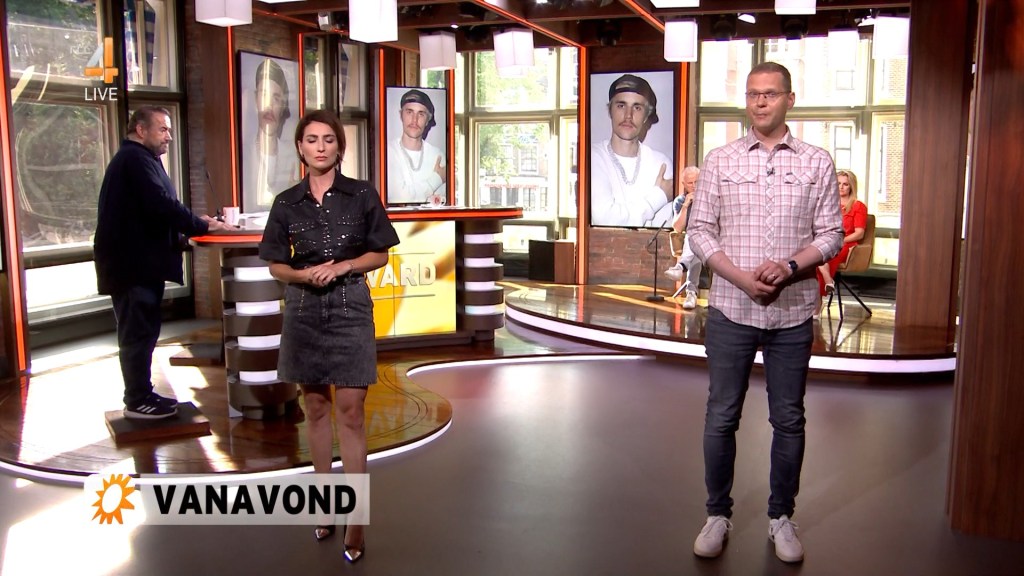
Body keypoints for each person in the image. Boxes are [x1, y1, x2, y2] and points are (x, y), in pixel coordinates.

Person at [686, 62, 844, 564]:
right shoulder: (720, 159)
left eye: (770, 94)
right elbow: (700, 229)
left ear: (789, 99)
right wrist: (738, 276)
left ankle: (781, 517)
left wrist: (791, 265)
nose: (760, 101)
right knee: (721, 416)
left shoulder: (817, 161)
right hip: (731, 309)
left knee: (789, 419)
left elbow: (832, 234)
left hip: (792, 312)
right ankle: (717, 514)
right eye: (753, 94)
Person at [258, 109, 399, 564]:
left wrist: (342, 266)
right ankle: (325, 505)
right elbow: (275, 264)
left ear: (340, 147)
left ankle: (356, 519)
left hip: (350, 307)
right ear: (300, 147)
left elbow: (380, 254)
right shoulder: (286, 203)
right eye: (312, 140)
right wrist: (300, 274)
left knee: (351, 412)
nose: (320, 147)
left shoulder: (362, 194)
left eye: (328, 140)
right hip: (302, 310)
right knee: (315, 409)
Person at [94, 106, 230, 420]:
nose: (169, 136)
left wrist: (187, 233)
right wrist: (200, 225)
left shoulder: (143, 159)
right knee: (137, 334)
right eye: (163, 129)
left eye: (169, 130)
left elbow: (150, 213)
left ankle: (142, 394)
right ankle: (137, 400)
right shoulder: (134, 159)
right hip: (131, 267)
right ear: (141, 130)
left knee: (144, 332)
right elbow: (161, 204)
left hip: (139, 264)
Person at [591, 73, 673, 227]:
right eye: (621, 106)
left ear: (646, 116)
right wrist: (659, 196)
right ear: (610, 111)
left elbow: (662, 230)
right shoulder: (593, 157)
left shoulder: (661, 164)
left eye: (637, 107)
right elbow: (604, 219)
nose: (628, 116)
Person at [243, 58, 300, 209]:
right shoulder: (243, 154)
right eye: (264, 96)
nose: (269, 106)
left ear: (282, 107)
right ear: (255, 99)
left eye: (276, 99)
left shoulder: (294, 155)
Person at [386, 89, 446, 204]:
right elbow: (399, 198)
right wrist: (437, 179)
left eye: (421, 114)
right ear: (401, 115)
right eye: (409, 112)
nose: (414, 120)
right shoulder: (388, 152)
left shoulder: (438, 155)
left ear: (427, 120)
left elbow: (440, 202)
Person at [817, 169, 867, 299]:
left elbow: (859, 233)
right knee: (815, 255)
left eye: (845, 184)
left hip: (847, 244)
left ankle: (819, 297)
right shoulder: (829, 205)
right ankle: (828, 281)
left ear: (851, 186)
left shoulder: (858, 206)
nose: (841, 187)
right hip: (827, 241)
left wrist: (839, 241)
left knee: (824, 256)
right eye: (838, 183)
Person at [665, 166, 703, 310]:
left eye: (697, 182)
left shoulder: (710, 198)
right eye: (690, 183)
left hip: (713, 239)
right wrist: (686, 205)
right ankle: (691, 292)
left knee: (695, 236)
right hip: (695, 242)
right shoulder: (680, 201)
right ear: (683, 184)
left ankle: (680, 267)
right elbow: (678, 228)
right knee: (694, 239)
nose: (694, 186)